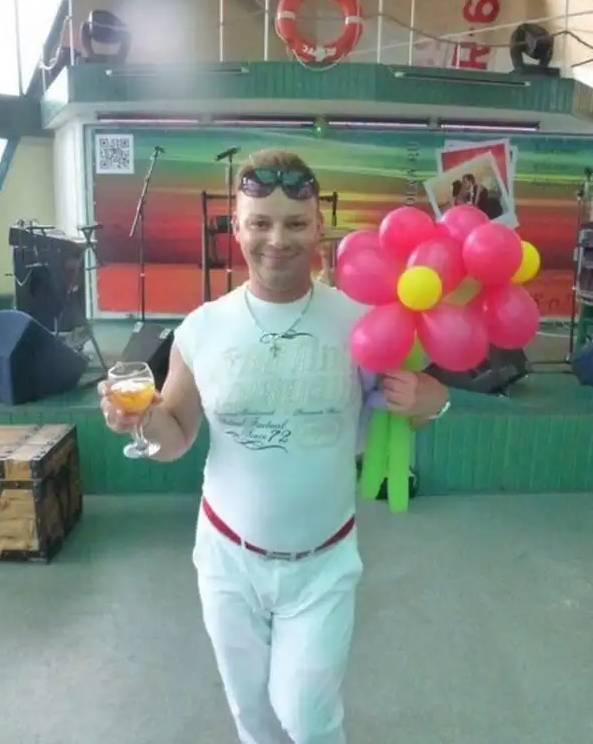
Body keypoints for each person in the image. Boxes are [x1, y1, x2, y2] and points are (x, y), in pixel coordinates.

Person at [99, 149, 449, 744]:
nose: (277, 239)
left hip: (324, 564)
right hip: (226, 562)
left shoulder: (361, 321)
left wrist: (431, 400)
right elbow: (175, 435)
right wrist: (138, 422)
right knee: (254, 718)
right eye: (260, 223)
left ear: (319, 227)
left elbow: (409, 412)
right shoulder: (202, 328)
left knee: (308, 717)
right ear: (236, 227)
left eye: (295, 223)